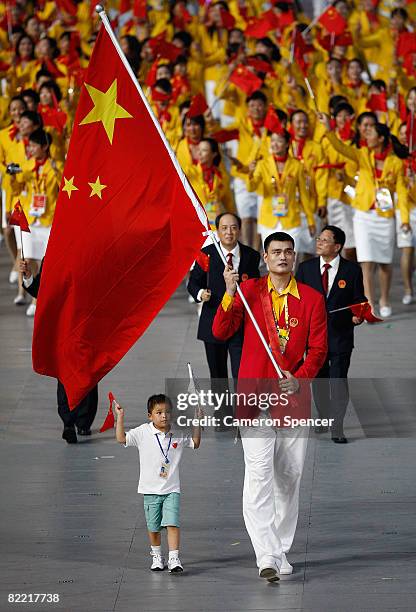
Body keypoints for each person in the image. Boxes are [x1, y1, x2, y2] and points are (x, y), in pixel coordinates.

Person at [212, 232, 327, 581]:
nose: (282, 257)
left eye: (288, 252)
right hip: (254, 399)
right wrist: (229, 293)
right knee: (259, 474)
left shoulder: (311, 299)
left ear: (294, 257)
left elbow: (319, 350)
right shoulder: (249, 293)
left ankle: (281, 549)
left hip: (292, 400)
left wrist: (302, 376)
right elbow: (220, 331)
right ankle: (267, 554)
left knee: (288, 478)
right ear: (264, 256)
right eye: (276, 252)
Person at [187, 212, 260, 428]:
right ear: (217, 231)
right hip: (213, 323)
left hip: (241, 324)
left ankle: (243, 413)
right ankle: (222, 414)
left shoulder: (250, 256)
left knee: (241, 371)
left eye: (234, 227)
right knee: (217, 372)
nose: (229, 232)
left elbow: (256, 285)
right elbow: (193, 284)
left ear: (239, 229)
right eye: (224, 228)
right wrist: (201, 294)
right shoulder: (206, 254)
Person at [115, 394, 201, 572]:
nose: (164, 416)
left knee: (172, 524)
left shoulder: (177, 433)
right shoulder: (142, 432)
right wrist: (120, 416)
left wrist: (197, 422)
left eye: (168, 412)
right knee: (153, 527)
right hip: (150, 490)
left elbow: (195, 442)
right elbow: (121, 438)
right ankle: (156, 556)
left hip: (171, 489)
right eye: (159, 412)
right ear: (150, 416)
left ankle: (174, 558)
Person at [296, 226, 367, 443]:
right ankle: (324, 417)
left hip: (340, 336)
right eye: (319, 239)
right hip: (314, 337)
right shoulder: (306, 268)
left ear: (337, 247)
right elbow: (297, 299)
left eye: (324, 240)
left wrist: (359, 314)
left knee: (338, 380)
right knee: (318, 379)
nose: (319, 242)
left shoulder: (352, 270)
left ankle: (337, 427)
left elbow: (359, 299)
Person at [18, 259, 99, 443]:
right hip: (63, 326)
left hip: (86, 322)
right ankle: (69, 422)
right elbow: (42, 289)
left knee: (87, 371)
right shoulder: (55, 255)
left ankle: (83, 421)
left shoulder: (91, 250)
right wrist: (29, 276)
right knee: (65, 373)